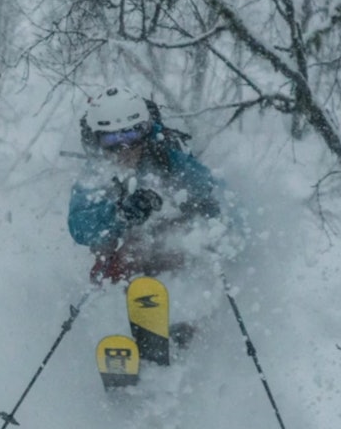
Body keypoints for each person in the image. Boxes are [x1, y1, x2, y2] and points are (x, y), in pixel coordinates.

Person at [67, 86, 237, 288]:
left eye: (131, 135)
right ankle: (118, 301)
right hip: (124, 254)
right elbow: (80, 226)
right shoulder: (96, 172)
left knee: (183, 243)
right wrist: (118, 214)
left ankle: (188, 301)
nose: (124, 148)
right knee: (116, 251)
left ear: (145, 131)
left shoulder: (167, 157)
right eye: (111, 139)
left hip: (169, 244)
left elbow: (212, 188)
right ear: (96, 140)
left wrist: (205, 206)